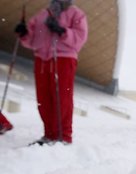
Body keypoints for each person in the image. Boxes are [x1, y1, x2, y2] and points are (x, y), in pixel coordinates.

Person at [14, 0, 88, 145]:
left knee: (61, 97)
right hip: (42, 59)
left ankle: (63, 136)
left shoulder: (76, 14)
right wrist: (23, 33)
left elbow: (79, 39)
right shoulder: (42, 14)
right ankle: (49, 134)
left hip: (63, 58)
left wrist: (63, 31)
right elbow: (32, 39)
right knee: (44, 99)